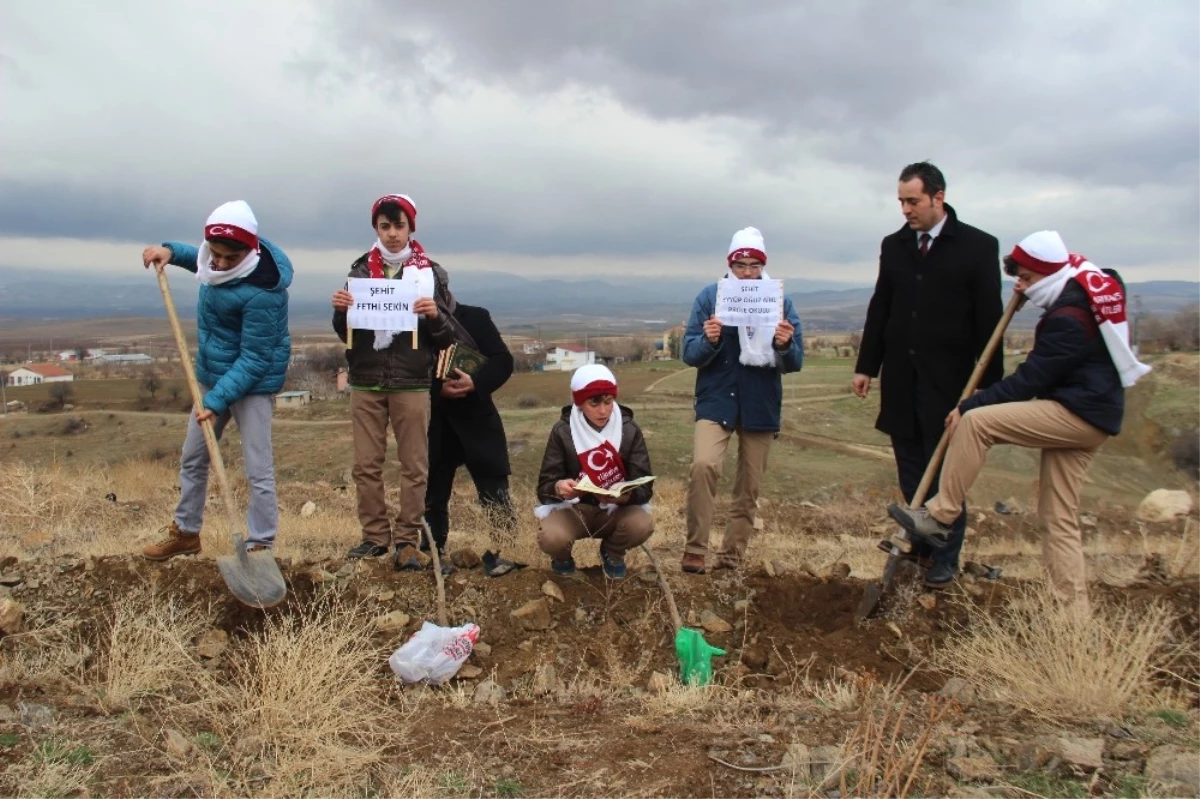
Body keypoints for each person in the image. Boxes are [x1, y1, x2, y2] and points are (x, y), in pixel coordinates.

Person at [889, 231, 1150, 613]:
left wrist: (973, 403)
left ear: (1047, 273)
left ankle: (940, 515)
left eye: (1026, 278)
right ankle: (1072, 616)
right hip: (1095, 413)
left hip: (1078, 414)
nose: (1020, 286)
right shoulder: (1084, 285)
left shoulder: (1069, 318)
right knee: (1058, 518)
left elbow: (1032, 379)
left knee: (976, 423)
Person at [853, 162, 1003, 588]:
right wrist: (867, 364)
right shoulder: (895, 245)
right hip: (902, 376)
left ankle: (946, 557)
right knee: (910, 465)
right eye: (901, 200)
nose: (905, 209)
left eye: (912, 200)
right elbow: (881, 305)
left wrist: (988, 393)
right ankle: (921, 543)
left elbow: (989, 322)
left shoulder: (976, 246)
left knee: (944, 473)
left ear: (938, 197)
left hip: (949, 380)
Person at [140, 200, 292, 560]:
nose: (220, 264)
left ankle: (260, 544)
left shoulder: (264, 292)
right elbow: (199, 258)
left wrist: (215, 400)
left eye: (230, 258)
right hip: (212, 377)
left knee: (258, 467)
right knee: (193, 456)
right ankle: (186, 532)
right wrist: (169, 251)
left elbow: (255, 359)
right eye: (216, 255)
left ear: (249, 251)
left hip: (252, 384)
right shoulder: (213, 262)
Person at [331, 194, 455, 570]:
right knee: (366, 464)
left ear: (410, 227)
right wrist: (341, 312)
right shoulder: (360, 271)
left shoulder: (430, 274)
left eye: (399, 226)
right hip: (366, 380)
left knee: (414, 464)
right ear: (376, 229)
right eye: (385, 226)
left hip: (412, 382)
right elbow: (347, 332)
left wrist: (433, 316)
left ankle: (406, 540)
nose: (392, 234)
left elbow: (447, 338)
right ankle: (373, 538)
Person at [681, 227, 804, 574]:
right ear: (730, 264)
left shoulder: (780, 301)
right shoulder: (710, 297)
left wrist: (783, 344)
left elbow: (795, 362)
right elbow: (689, 353)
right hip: (716, 399)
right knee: (704, 465)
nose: (747, 272)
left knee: (748, 485)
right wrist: (709, 340)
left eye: (754, 265)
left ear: (763, 265)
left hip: (760, 402)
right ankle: (695, 549)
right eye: (741, 265)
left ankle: (731, 558)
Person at [423, 265, 521, 577]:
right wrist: (439, 390)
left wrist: (473, 383)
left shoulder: (476, 317)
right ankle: (433, 555)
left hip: (478, 419)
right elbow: (406, 376)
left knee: (494, 490)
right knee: (432, 493)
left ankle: (504, 552)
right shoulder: (409, 326)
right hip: (436, 422)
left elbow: (503, 361)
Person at [534, 365, 654, 579]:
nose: (603, 410)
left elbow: (645, 487)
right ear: (580, 403)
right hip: (574, 511)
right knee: (552, 538)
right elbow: (544, 488)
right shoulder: (563, 431)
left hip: (615, 511)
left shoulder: (629, 430)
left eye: (609, 402)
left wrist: (626, 496)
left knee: (642, 525)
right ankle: (562, 558)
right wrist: (558, 488)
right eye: (594, 403)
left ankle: (612, 553)